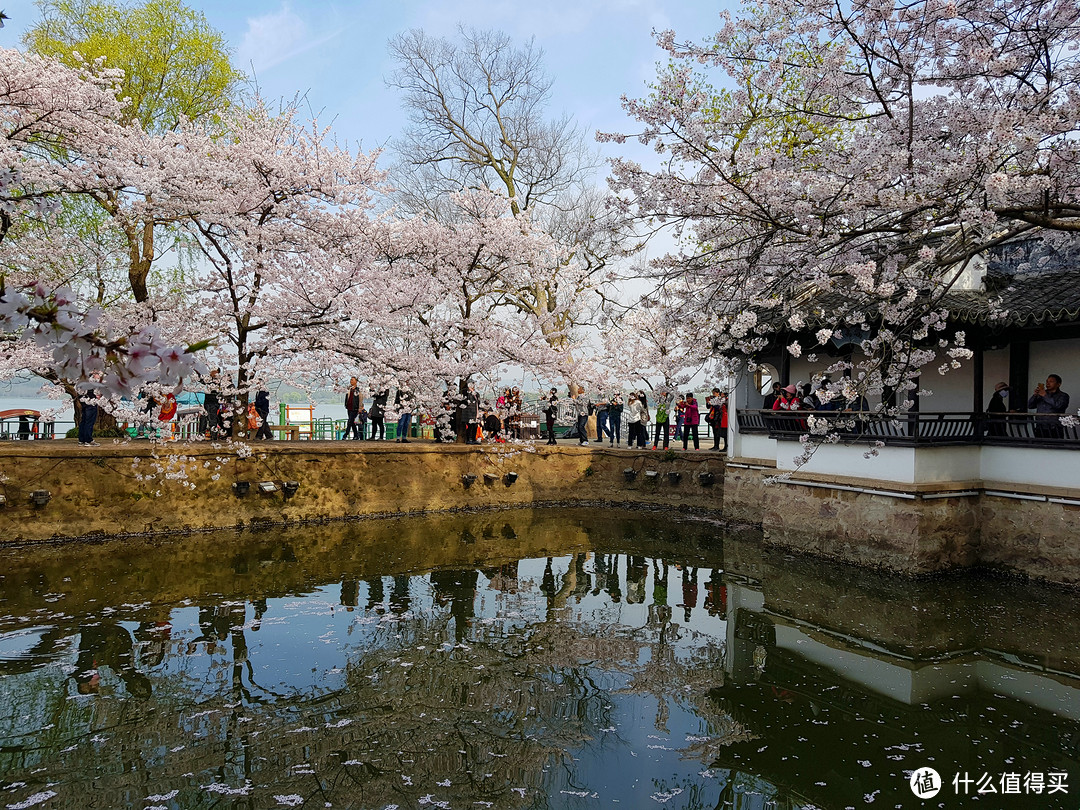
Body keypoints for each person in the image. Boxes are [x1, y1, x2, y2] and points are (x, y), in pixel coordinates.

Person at [1028, 374, 1070, 439]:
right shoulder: (1042, 394)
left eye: (1051, 381)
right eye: (1047, 381)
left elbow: (1058, 406)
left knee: (1055, 447)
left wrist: (1045, 396)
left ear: (1058, 384)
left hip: (1054, 427)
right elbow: (1030, 406)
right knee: (1039, 447)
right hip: (1040, 426)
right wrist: (1035, 395)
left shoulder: (1063, 396)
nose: (1048, 383)